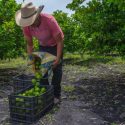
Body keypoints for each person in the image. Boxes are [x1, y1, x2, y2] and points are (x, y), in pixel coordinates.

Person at [15, 2, 64, 104]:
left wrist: (58, 59)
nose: (30, 24)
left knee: (57, 70)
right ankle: (46, 94)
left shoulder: (49, 20)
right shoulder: (26, 26)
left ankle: (56, 95)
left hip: (55, 45)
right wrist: (31, 58)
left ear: (37, 16)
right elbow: (29, 44)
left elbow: (59, 41)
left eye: (31, 21)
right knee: (41, 72)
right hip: (43, 46)